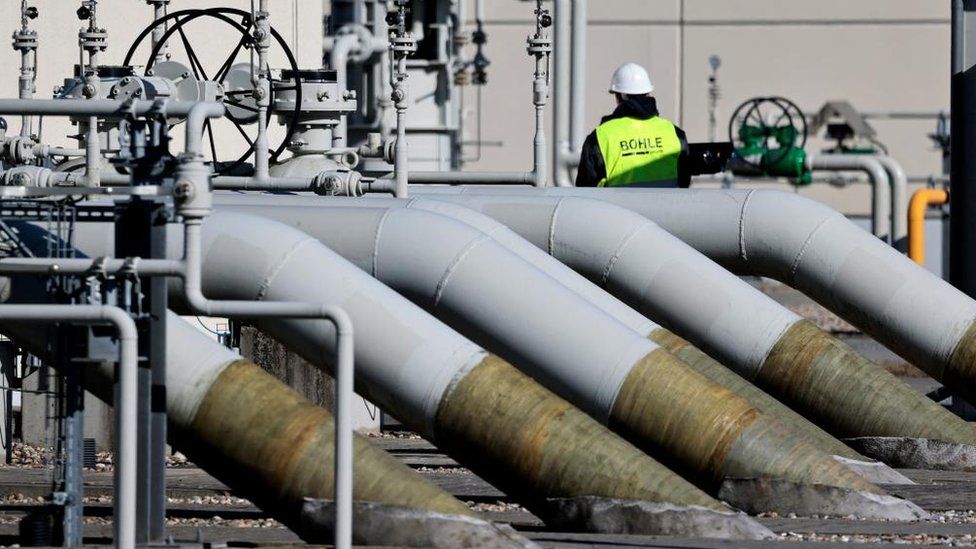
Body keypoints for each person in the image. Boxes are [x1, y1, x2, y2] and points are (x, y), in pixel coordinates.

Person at [576, 63, 691, 188]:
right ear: (648, 93)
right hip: (667, 207)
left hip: (616, 207)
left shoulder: (600, 137)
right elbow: (684, 181)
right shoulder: (673, 132)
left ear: (620, 96)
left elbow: (585, 189)